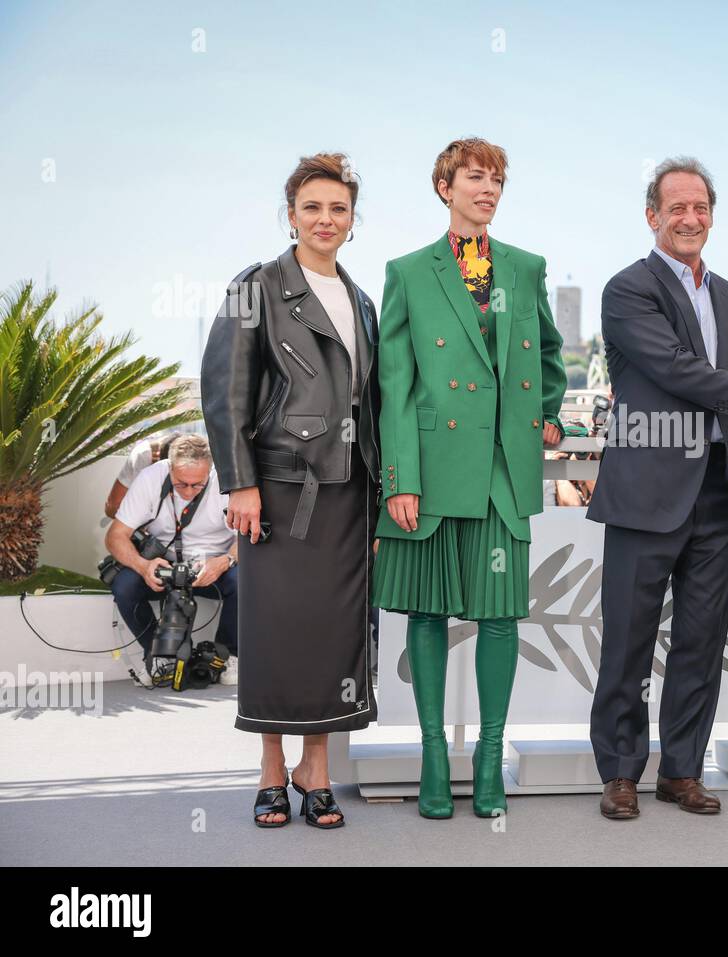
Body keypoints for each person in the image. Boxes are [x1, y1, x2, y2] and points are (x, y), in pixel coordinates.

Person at [586, 157, 728, 820]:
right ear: (653, 216)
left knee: (701, 640)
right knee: (628, 639)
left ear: (711, 215)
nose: (690, 218)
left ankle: (681, 769)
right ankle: (621, 772)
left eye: (700, 207)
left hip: (719, 490)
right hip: (646, 491)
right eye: (676, 207)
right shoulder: (627, 290)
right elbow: (677, 369)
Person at [371, 137, 566, 820]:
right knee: (426, 612)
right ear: (444, 187)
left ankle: (488, 758)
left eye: (497, 179)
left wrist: (549, 414)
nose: (488, 188)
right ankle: (431, 755)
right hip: (429, 470)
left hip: (502, 469)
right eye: (475, 177)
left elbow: (548, 350)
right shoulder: (406, 271)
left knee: (500, 614)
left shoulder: (524, 266)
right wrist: (399, 474)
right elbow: (393, 384)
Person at [202, 151, 381, 829]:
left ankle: (318, 767)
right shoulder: (259, 285)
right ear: (291, 216)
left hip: (348, 490)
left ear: (352, 219)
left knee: (334, 636)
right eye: (312, 207)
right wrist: (240, 482)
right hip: (278, 489)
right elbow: (226, 389)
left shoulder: (362, 301)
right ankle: (272, 769)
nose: (325, 219)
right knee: (276, 631)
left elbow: (373, 402)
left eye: (338, 208)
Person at [105, 434, 238, 672]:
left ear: (211, 470)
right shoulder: (151, 477)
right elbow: (115, 536)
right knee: (124, 585)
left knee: (244, 581)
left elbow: (250, 538)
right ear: (169, 467)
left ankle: (226, 656)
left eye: (197, 484)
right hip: (162, 568)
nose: (188, 492)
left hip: (213, 567)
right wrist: (142, 566)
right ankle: (157, 656)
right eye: (180, 484)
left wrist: (225, 561)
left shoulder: (227, 479)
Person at [104, 432, 179, 518]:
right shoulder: (145, 455)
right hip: (126, 504)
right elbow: (139, 504)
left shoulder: (190, 453)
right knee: (112, 508)